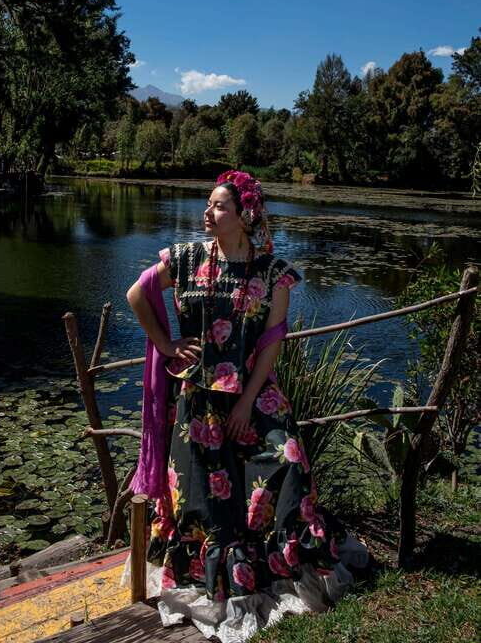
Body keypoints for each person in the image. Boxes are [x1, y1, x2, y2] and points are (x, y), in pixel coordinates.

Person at [125, 170, 368, 642]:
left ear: (245, 215)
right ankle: (219, 571)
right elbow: (137, 293)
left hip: (255, 393)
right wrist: (167, 343)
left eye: (218, 206)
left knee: (290, 461)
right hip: (200, 397)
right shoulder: (187, 256)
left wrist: (247, 403)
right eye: (209, 205)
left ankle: (286, 563)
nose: (207, 213)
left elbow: (272, 344)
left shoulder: (273, 272)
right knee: (208, 492)